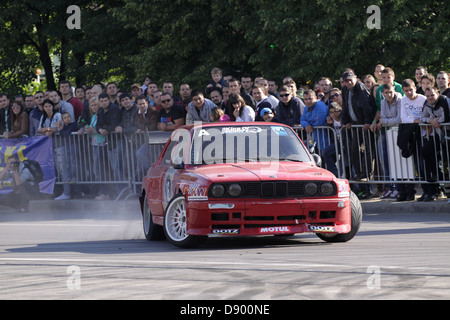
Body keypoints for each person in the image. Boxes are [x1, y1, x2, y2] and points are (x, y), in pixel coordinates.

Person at [341, 70, 376, 199]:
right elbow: (345, 106)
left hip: (364, 124)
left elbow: (367, 106)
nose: (349, 82)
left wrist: (367, 121)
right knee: (354, 150)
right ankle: (361, 175)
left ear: (355, 78)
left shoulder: (360, 88)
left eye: (350, 79)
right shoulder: (345, 90)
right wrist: (346, 121)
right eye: (346, 81)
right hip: (355, 125)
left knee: (368, 151)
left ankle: (366, 176)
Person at [396, 79, 427, 201]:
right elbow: (403, 118)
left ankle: (429, 190)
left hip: (424, 134)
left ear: (415, 87)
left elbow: (426, 116)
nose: (409, 93)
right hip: (412, 135)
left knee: (423, 163)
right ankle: (417, 190)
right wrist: (415, 121)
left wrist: (420, 121)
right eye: (406, 91)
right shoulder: (403, 100)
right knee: (416, 165)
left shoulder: (423, 99)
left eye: (410, 89)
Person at [420, 87, 450, 201]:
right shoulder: (426, 104)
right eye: (428, 96)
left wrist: (435, 120)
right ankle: (435, 177)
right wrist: (431, 120)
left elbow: (446, 117)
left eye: (432, 95)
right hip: (438, 134)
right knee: (426, 150)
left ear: (437, 93)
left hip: (447, 133)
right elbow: (423, 117)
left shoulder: (444, 100)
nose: (430, 98)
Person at [378, 83, 403, 199]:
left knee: (398, 160)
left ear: (394, 91)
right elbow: (383, 118)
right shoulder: (383, 102)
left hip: (399, 132)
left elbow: (399, 119)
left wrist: (386, 121)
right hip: (388, 133)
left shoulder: (400, 100)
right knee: (387, 160)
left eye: (390, 92)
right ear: (383, 93)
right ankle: (391, 186)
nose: (389, 95)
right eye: (386, 93)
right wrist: (386, 121)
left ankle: (399, 187)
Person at [54, 112, 78, 200]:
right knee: (66, 170)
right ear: (63, 120)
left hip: (72, 149)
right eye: (65, 118)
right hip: (66, 149)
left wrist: (60, 129)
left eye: (68, 117)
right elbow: (63, 133)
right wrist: (61, 129)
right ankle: (67, 192)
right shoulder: (65, 126)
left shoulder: (73, 125)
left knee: (72, 170)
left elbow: (66, 134)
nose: (67, 119)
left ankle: (74, 192)